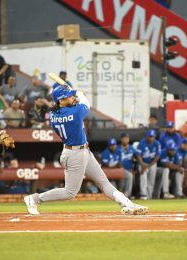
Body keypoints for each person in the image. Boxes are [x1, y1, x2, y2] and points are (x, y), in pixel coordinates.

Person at [24, 84, 148, 215]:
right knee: (70, 192)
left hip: (81, 151)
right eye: (68, 96)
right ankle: (34, 199)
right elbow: (85, 102)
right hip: (74, 154)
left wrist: (72, 95)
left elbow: (58, 105)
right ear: (61, 101)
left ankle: (127, 204)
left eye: (71, 95)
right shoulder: (74, 112)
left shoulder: (54, 113)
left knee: (103, 182)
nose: (72, 98)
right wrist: (79, 92)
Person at [136, 129, 161, 200]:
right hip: (142, 162)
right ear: (146, 136)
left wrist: (148, 166)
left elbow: (157, 157)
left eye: (152, 136)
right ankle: (143, 194)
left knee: (151, 179)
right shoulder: (142, 143)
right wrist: (143, 165)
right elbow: (138, 155)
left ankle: (149, 195)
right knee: (143, 175)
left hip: (152, 163)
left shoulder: (157, 143)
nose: (151, 138)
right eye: (149, 136)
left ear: (154, 137)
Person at [118, 132, 136, 198]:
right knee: (128, 177)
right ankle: (126, 195)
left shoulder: (132, 148)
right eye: (124, 138)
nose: (125, 140)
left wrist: (135, 169)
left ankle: (127, 195)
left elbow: (138, 157)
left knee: (131, 176)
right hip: (121, 169)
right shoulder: (117, 148)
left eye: (127, 138)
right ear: (121, 139)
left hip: (130, 169)